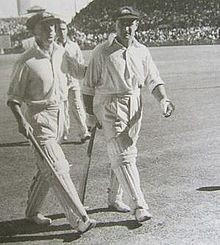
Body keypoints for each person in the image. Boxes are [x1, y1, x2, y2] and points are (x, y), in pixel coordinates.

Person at [82, 6, 175, 222]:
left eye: (131, 22)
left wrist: (163, 99)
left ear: (137, 25)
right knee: (124, 154)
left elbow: (153, 79)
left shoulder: (142, 50)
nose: (127, 26)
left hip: (135, 103)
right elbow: (87, 87)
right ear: (115, 24)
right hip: (109, 104)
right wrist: (89, 114)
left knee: (126, 151)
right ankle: (138, 205)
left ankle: (114, 198)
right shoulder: (101, 51)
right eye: (122, 22)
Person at [7, 11, 95, 233]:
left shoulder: (61, 53)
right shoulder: (26, 61)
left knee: (46, 167)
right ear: (34, 30)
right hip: (38, 118)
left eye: (54, 26)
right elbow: (13, 98)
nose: (51, 30)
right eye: (45, 26)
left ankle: (31, 211)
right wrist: (21, 122)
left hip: (60, 117)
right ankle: (79, 218)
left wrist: (101, 66)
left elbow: (80, 72)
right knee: (58, 167)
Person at [56, 19, 90, 143]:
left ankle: (84, 132)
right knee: (63, 108)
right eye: (59, 29)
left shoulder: (74, 46)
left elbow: (80, 63)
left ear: (67, 30)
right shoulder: (54, 47)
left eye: (64, 29)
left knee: (77, 106)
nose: (62, 32)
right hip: (60, 83)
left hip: (73, 81)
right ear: (56, 31)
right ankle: (63, 134)